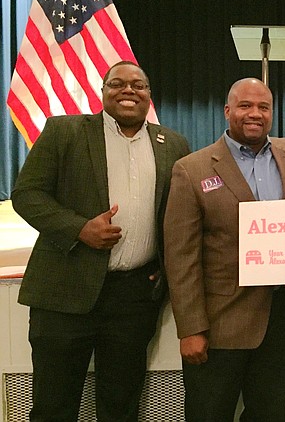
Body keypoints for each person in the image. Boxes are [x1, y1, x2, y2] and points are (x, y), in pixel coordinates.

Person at [11, 61, 190, 422]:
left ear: (149, 95)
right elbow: (27, 195)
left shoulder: (172, 144)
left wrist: (166, 271)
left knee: (120, 407)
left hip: (133, 298)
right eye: (118, 84)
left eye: (138, 85)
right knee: (53, 407)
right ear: (103, 90)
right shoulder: (65, 131)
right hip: (64, 290)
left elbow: (180, 216)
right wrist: (79, 229)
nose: (129, 90)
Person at [163, 78, 285, 422]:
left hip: (281, 316)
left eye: (263, 107)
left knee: (270, 415)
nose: (255, 114)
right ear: (227, 111)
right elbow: (180, 257)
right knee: (209, 414)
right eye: (246, 106)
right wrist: (190, 328)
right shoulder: (192, 170)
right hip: (220, 323)